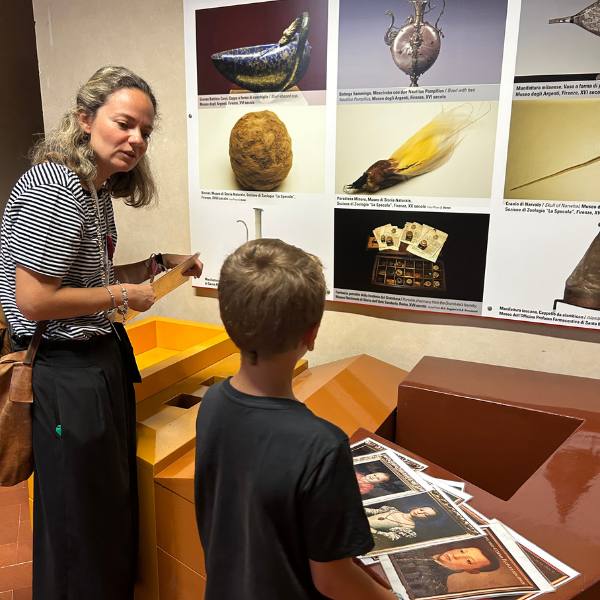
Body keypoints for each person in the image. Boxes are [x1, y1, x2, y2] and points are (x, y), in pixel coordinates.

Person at [0, 65, 202, 600]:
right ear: (84, 119)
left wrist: (157, 266)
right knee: (78, 514)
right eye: (124, 123)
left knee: (106, 504)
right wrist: (122, 297)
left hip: (99, 362)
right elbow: (36, 300)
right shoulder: (55, 185)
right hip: (64, 373)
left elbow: (85, 277)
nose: (136, 139)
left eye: (145, 131)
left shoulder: (94, 190)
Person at [194, 239, 396, 600]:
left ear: (228, 322)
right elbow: (333, 580)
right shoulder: (321, 446)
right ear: (311, 334)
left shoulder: (212, 403)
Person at [390, 544, 500, 597]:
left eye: (469, 561)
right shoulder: (419, 546)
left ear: (472, 571)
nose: (457, 556)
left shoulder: (436, 589)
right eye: (462, 551)